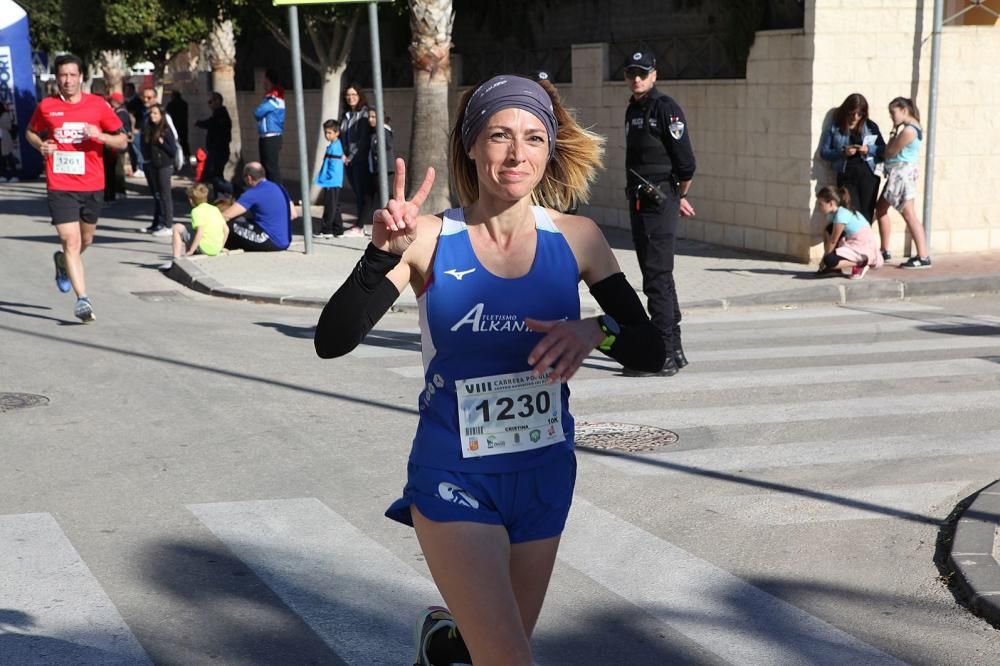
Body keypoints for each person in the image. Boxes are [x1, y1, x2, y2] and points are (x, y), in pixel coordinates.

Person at [314, 75, 666, 665]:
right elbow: (333, 340)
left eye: (532, 137)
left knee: (493, 651)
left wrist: (595, 331)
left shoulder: (577, 239)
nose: (515, 153)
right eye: (499, 135)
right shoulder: (430, 238)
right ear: (472, 145)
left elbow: (654, 347)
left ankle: (446, 641)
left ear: (549, 149)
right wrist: (380, 254)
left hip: (544, 472)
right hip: (455, 474)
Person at [25, 53, 128, 322]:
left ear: (81, 77)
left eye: (72, 75)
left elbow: (123, 141)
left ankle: (62, 263)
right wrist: (41, 145)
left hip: (92, 183)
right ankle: (83, 300)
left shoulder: (97, 105)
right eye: (63, 75)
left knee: (85, 240)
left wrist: (100, 136)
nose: (68, 80)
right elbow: (31, 132)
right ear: (57, 78)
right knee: (70, 241)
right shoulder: (47, 106)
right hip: (60, 184)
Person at [623, 48, 697, 377]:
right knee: (658, 276)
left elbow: (686, 164)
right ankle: (675, 349)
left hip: (658, 200)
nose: (636, 79)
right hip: (641, 200)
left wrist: (673, 196)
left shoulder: (665, 108)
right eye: (631, 73)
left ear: (654, 75)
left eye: (642, 73)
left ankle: (662, 353)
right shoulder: (633, 109)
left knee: (656, 278)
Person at [819, 93, 888, 259]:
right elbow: (824, 152)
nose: (855, 118)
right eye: (851, 114)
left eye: (859, 114)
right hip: (846, 174)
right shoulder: (835, 127)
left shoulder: (870, 126)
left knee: (865, 213)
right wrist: (843, 152)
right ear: (846, 112)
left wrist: (868, 149)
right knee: (850, 213)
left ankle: (864, 253)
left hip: (868, 174)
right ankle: (847, 253)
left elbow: (883, 150)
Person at [875, 97, 931, 269]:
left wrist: (892, 135)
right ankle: (884, 250)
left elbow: (889, 152)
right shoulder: (909, 128)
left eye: (894, 113)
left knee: (909, 214)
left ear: (904, 110)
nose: (892, 117)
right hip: (898, 174)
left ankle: (923, 256)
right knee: (881, 208)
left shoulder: (909, 131)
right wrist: (893, 131)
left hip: (902, 174)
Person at [815, 186, 883, 279]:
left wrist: (823, 260)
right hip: (852, 241)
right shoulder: (833, 214)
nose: (818, 207)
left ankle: (863, 262)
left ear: (831, 204)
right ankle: (834, 269)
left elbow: (833, 241)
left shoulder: (841, 214)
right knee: (828, 230)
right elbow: (828, 233)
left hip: (862, 244)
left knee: (829, 260)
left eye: (820, 204)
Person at [222, 162, 292, 252]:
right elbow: (293, 214)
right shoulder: (280, 188)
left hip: (270, 241)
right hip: (285, 241)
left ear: (249, 178)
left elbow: (226, 215)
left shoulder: (253, 193)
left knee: (231, 225)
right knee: (243, 221)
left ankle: (216, 246)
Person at [161, 182, 229, 270]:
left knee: (177, 228)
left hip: (204, 248)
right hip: (216, 249)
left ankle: (176, 260)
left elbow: (200, 232)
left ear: (191, 200)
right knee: (190, 228)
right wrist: (220, 247)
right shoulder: (214, 209)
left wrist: (191, 251)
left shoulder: (196, 211)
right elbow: (226, 230)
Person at [140, 104, 178, 236]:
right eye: (151, 113)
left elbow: (173, 151)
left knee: (165, 195)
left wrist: (162, 143)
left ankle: (168, 225)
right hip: (153, 164)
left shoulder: (166, 130)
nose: (152, 116)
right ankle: (157, 223)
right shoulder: (150, 128)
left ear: (161, 115)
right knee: (157, 195)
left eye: (155, 113)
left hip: (164, 165)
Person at [339, 83, 371, 229]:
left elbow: (363, 139)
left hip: (359, 160)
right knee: (356, 192)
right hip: (347, 160)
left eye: (354, 95)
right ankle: (359, 222)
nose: (351, 98)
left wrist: (350, 157)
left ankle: (360, 224)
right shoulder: (345, 115)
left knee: (362, 192)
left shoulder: (364, 113)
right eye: (348, 95)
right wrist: (343, 155)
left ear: (359, 96)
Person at [362, 107, 395, 233]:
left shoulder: (384, 131)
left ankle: (388, 225)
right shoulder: (376, 131)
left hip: (384, 171)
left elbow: (387, 144)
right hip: (376, 170)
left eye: (374, 117)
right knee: (373, 198)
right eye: (369, 117)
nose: (371, 120)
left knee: (382, 198)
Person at [314, 119, 345, 238]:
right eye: (326, 132)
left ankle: (326, 230)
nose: (327, 135)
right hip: (333, 181)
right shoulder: (333, 145)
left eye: (330, 133)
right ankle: (338, 229)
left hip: (332, 181)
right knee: (335, 205)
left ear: (337, 133)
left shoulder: (335, 147)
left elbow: (334, 166)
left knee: (330, 206)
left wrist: (328, 179)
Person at [254, 69, 285, 185]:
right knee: (266, 168)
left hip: (271, 137)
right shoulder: (270, 97)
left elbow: (258, 112)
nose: (263, 83)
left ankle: (279, 193)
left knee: (272, 168)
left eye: (265, 81)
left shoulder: (275, 97)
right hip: (265, 136)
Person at [195, 92, 231, 186]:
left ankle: (233, 190)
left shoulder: (221, 114)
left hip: (219, 150)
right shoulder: (217, 115)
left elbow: (211, 124)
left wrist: (199, 123)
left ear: (217, 102)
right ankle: (219, 197)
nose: (209, 105)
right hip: (215, 150)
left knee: (214, 176)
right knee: (215, 176)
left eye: (210, 102)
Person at [103, 92, 131, 202]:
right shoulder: (117, 112)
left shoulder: (121, 113)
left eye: (111, 100)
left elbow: (119, 129)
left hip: (118, 146)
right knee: (114, 170)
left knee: (118, 170)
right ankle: (114, 192)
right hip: (114, 146)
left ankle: (119, 191)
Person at [124, 82, 145, 177]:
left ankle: (141, 168)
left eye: (128, 90)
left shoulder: (137, 101)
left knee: (138, 149)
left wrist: (137, 128)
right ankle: (134, 167)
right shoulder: (126, 101)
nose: (127, 92)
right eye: (126, 90)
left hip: (136, 130)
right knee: (132, 151)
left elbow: (139, 116)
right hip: (128, 130)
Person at [165, 90, 189, 158]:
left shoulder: (171, 104)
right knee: (184, 141)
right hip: (183, 125)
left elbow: (167, 114)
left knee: (176, 141)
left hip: (175, 125)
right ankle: (186, 155)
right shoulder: (184, 103)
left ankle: (179, 156)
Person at [0, 103, 18, 182]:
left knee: (9, 157)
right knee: (2, 159)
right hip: (1, 139)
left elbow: (9, 126)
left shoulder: (5, 115)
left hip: (5, 139)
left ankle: (14, 175)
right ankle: (3, 175)